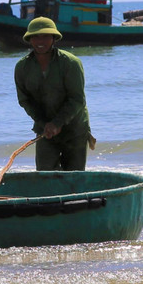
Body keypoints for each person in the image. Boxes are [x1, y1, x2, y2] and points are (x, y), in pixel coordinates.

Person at [14, 16, 91, 171]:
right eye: (35, 36)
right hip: (44, 131)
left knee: (74, 178)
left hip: (74, 129)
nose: (40, 40)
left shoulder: (71, 63)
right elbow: (25, 100)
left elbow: (77, 100)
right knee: (45, 176)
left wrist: (58, 123)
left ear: (54, 38)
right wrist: (45, 124)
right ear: (29, 39)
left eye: (45, 36)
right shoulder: (22, 67)